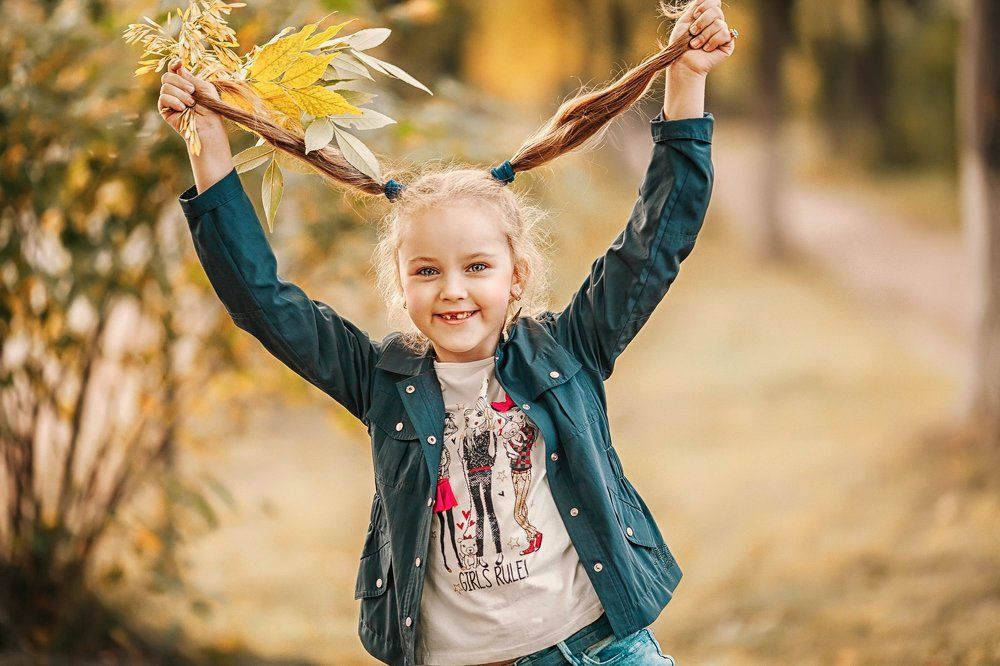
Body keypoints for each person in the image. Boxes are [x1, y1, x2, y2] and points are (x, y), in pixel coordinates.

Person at [159, 0, 736, 663]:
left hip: (601, 648)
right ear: (401, 283)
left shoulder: (570, 350)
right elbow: (264, 302)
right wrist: (205, 136)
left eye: (477, 267)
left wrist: (687, 80)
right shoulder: (381, 381)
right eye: (427, 270)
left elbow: (653, 244)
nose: (453, 290)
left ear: (516, 277)